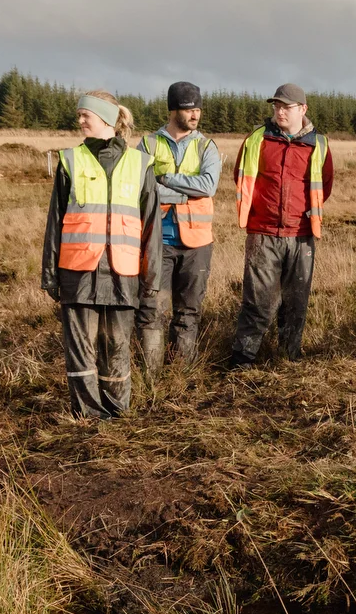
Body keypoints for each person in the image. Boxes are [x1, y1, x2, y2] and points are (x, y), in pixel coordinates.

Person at [41, 92, 161, 418]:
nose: (80, 121)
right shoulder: (70, 161)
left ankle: (117, 414)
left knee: (117, 350)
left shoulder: (140, 164)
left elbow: (151, 229)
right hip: (77, 271)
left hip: (123, 274)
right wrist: (50, 273)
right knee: (80, 352)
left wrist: (151, 279)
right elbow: (55, 221)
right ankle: (89, 419)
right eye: (79, 115)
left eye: (85, 115)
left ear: (106, 118)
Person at [229, 84, 335, 368]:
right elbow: (239, 175)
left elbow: (324, 185)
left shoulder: (319, 145)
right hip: (262, 232)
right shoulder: (257, 140)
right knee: (257, 300)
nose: (279, 111)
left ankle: (288, 357)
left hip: (301, 236)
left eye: (286, 107)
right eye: (276, 106)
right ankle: (243, 359)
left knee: (296, 301)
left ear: (303, 109)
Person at [137, 81, 222, 370]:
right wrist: (185, 191)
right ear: (173, 110)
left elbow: (208, 185)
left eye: (198, 109)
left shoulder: (207, 146)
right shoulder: (148, 144)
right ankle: (151, 375)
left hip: (196, 243)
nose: (195, 115)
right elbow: (141, 187)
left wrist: (167, 180)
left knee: (188, 312)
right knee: (151, 310)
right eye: (189, 109)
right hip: (157, 241)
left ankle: (182, 374)